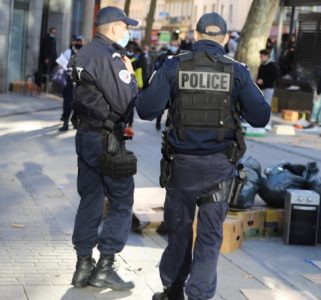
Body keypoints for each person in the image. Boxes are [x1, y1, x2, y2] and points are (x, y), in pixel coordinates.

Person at [137, 12, 270, 300]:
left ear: (196, 35)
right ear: (224, 38)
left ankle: (172, 290)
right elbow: (261, 116)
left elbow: (146, 109)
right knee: (210, 237)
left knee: (179, 232)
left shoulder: (173, 67)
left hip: (181, 168)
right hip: (219, 169)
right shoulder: (237, 71)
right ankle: (198, 295)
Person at [68, 6, 139, 290]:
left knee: (90, 200)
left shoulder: (82, 53)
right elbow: (124, 100)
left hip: (85, 136)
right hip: (107, 139)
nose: (127, 32)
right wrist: (131, 76)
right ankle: (105, 267)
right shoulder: (111, 57)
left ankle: (83, 265)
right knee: (121, 202)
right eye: (125, 27)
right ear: (113, 28)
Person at [56, 35, 83, 131]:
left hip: (80, 82)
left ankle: (75, 121)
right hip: (69, 81)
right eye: (77, 41)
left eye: (80, 41)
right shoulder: (68, 52)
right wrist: (66, 67)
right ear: (74, 42)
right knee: (67, 102)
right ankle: (65, 123)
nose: (79, 43)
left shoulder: (84, 52)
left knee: (78, 103)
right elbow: (60, 62)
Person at [256, 49, 278, 130]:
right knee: (260, 106)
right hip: (261, 88)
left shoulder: (272, 65)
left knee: (267, 105)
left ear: (266, 56)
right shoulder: (261, 65)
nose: (260, 58)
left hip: (268, 88)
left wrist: (264, 80)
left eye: (261, 56)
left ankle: (268, 124)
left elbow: (274, 77)